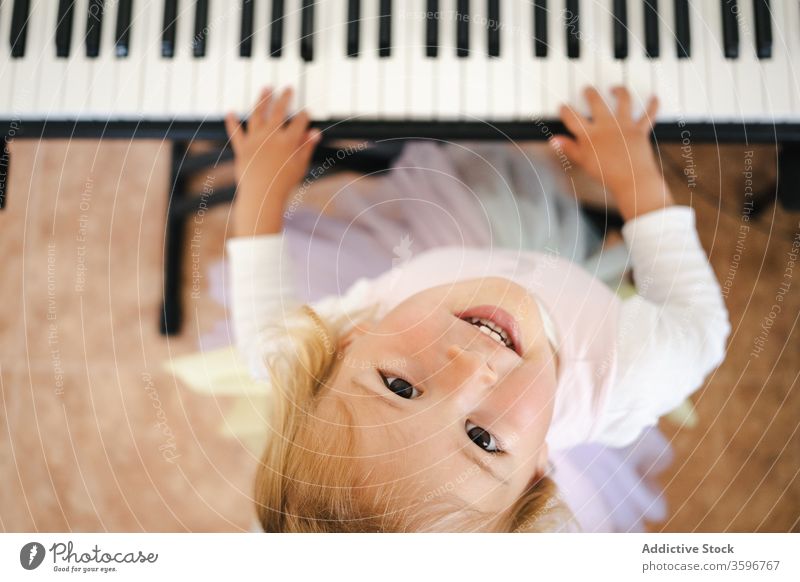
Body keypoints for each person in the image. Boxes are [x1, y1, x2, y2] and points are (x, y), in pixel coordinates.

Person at [223, 86, 730, 532]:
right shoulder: (638, 366)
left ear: (347, 343)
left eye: (399, 386)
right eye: (484, 440)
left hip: (444, 256)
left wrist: (263, 183)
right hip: (567, 290)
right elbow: (700, 320)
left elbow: (262, 335)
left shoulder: (305, 349)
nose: (472, 367)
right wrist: (634, 177)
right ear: (538, 469)